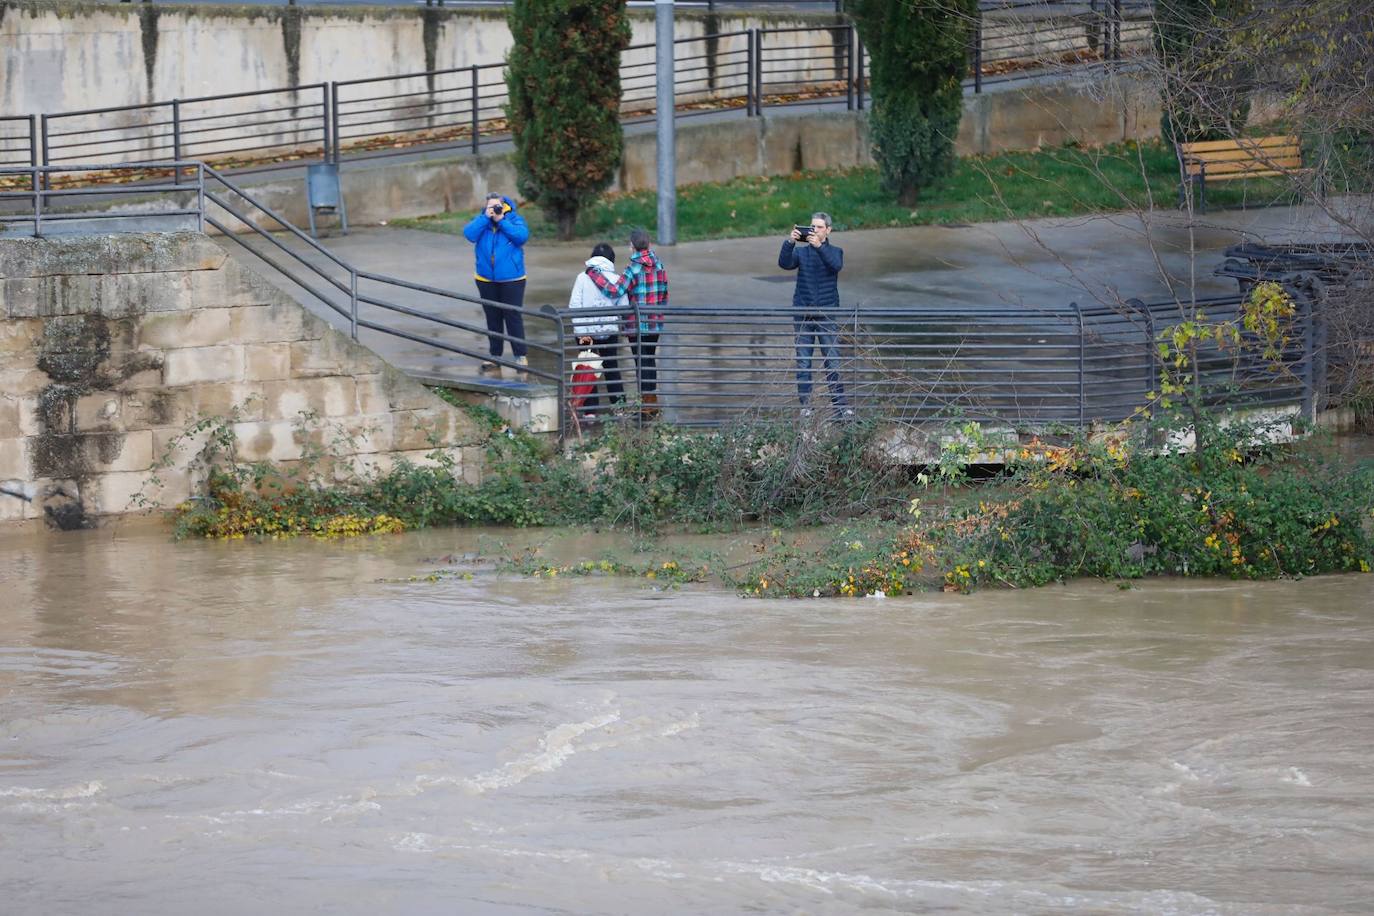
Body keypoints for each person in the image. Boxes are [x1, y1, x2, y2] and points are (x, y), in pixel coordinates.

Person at [585, 228, 667, 417]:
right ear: (649, 244)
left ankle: (645, 405)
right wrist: (659, 315)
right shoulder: (659, 265)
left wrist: (594, 275)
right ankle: (650, 401)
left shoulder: (632, 269)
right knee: (649, 360)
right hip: (654, 323)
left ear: (631, 246)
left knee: (640, 363)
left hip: (636, 325)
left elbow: (615, 291)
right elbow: (664, 294)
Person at [779, 211, 850, 416]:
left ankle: (841, 407)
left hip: (826, 314)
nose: (814, 230)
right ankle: (806, 406)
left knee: (833, 361)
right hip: (803, 314)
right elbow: (784, 264)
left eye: (819, 227)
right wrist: (789, 243)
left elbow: (835, 265)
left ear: (828, 230)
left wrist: (819, 247)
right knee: (803, 362)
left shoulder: (836, 251)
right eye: (812, 226)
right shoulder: (802, 253)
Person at [462, 191, 530, 378]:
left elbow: (521, 236)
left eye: (496, 206)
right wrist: (486, 218)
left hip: (512, 279)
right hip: (486, 279)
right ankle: (495, 356)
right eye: (489, 206)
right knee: (493, 318)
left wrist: (501, 220)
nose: (493, 210)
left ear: (503, 205)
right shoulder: (482, 221)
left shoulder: (514, 219)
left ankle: (520, 356)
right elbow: (468, 234)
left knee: (513, 317)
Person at [568, 242, 626, 417]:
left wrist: (583, 332)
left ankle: (589, 411)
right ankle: (619, 408)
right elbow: (624, 306)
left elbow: (574, 305)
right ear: (611, 260)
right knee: (611, 367)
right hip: (610, 332)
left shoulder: (582, 278)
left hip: (586, 333)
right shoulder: (617, 280)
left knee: (588, 367)